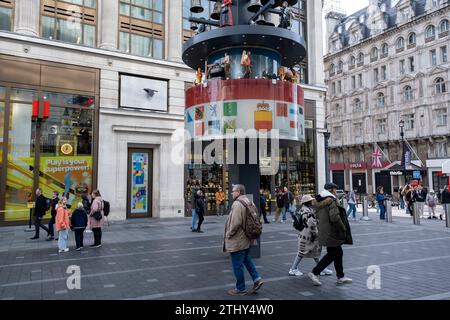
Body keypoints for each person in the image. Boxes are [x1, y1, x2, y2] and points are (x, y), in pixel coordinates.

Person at [307, 183, 353, 286]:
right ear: (332, 190)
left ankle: (340, 276)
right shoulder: (331, 201)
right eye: (335, 190)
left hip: (324, 231)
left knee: (338, 253)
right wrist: (343, 228)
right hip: (333, 232)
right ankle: (315, 272)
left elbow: (317, 215)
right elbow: (334, 217)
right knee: (333, 254)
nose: (336, 192)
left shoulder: (319, 200)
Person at [224, 184, 263, 296]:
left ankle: (240, 288)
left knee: (237, 264)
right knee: (246, 258)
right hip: (247, 238)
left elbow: (235, 222)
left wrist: (229, 234)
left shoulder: (237, 203)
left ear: (239, 192)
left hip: (238, 239)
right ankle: (257, 279)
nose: (231, 193)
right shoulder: (249, 201)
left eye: (233, 191)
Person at [288, 195, 333, 277]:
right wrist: (317, 234)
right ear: (308, 202)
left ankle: (320, 268)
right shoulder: (307, 212)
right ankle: (293, 269)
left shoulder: (302, 210)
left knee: (314, 253)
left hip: (304, 235)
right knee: (302, 252)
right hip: (309, 236)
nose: (312, 201)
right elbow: (312, 225)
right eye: (311, 200)